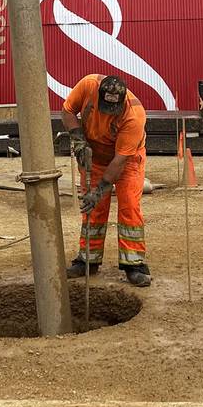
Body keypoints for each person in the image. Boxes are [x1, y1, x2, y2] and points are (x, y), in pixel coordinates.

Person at [61, 73, 150, 287]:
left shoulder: (134, 115)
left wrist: (100, 190)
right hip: (95, 155)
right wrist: (78, 141)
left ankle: (134, 264)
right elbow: (67, 111)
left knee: (129, 205)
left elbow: (119, 162)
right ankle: (88, 260)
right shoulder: (88, 84)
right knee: (95, 209)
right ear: (99, 94)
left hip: (127, 161)